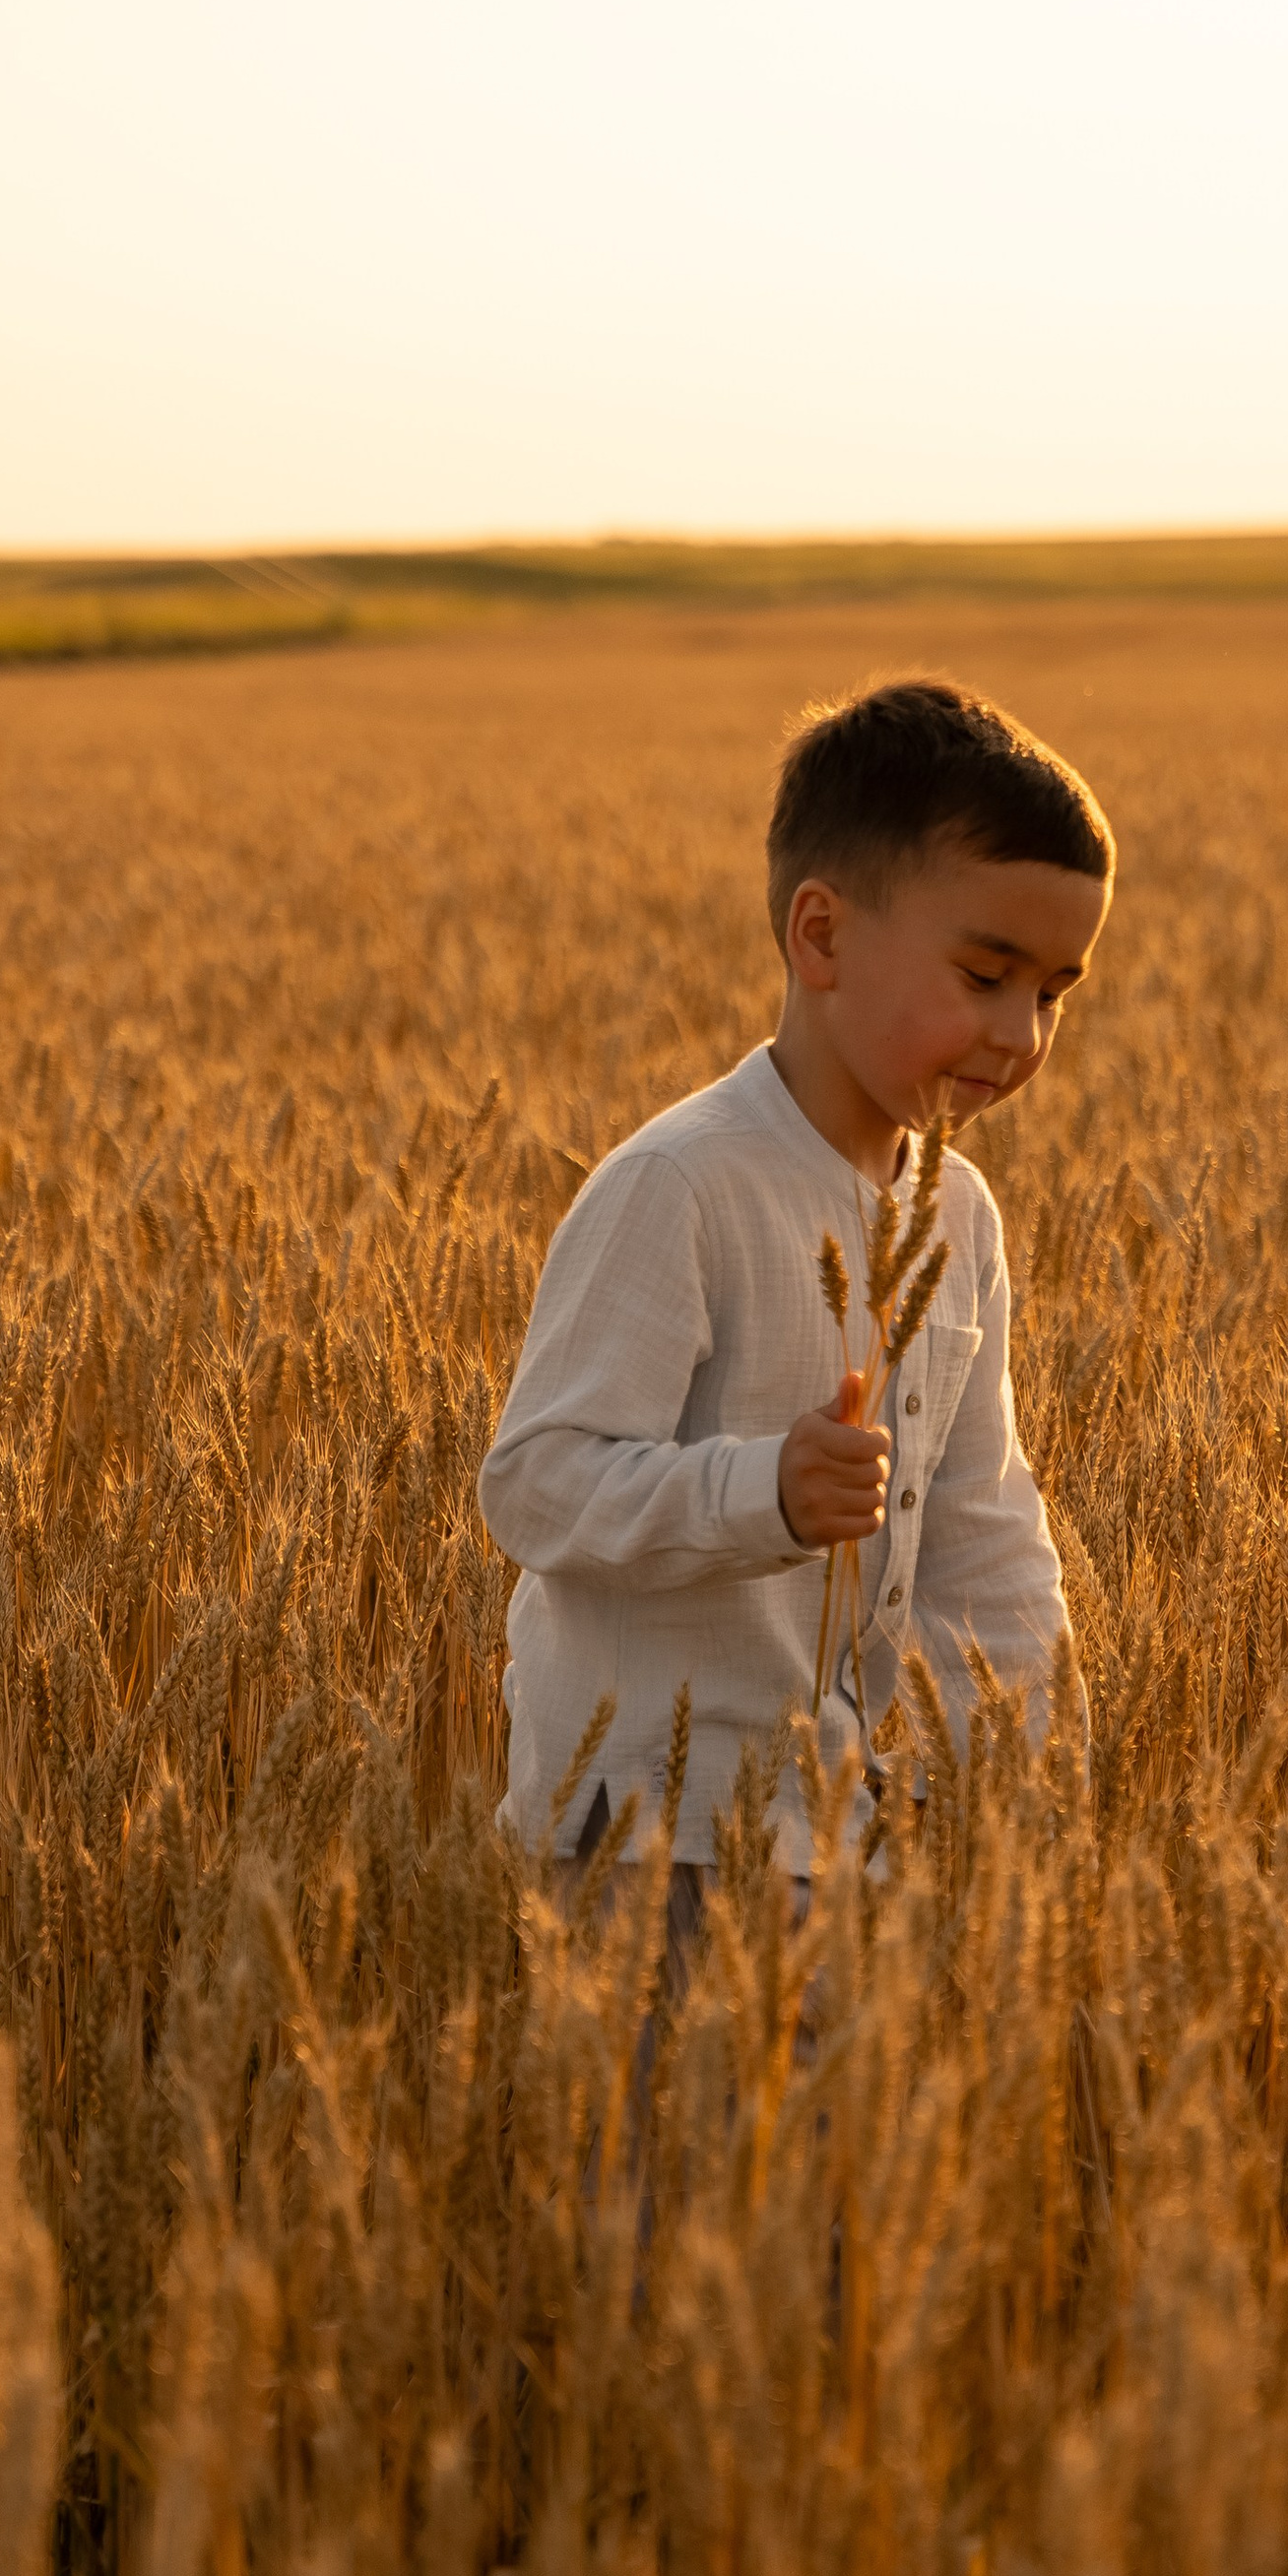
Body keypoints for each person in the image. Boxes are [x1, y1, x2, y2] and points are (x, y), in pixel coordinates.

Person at [478, 676, 1113, 1930]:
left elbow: (981, 1524)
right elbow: (538, 1480)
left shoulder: (958, 1214)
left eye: (1052, 994)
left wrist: (1032, 1767)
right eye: (985, 975)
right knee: (669, 2136)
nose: (1020, 1034)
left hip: (844, 1831)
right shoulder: (684, 1183)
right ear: (818, 936)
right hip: (646, 1832)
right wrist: (760, 1493)